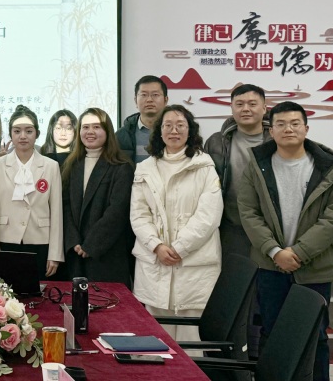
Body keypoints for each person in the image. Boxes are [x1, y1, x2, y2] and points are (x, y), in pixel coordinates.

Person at [238, 101, 333, 381]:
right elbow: (248, 212)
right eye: (280, 124)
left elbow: (330, 219)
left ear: (306, 128)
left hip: (316, 267)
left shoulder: (327, 166)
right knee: (272, 332)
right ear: (271, 130)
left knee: (315, 335)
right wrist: (274, 251)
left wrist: (299, 252)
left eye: (294, 123)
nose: (288, 129)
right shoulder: (257, 165)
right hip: (270, 266)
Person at [130, 104, 222, 343]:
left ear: (190, 130)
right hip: (154, 261)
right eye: (168, 125)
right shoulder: (145, 168)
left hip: (193, 264)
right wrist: (157, 246)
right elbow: (139, 214)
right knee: (156, 338)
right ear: (159, 131)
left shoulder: (205, 166)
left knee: (191, 338)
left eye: (180, 125)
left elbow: (209, 216)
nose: (174, 131)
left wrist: (180, 248)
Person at [0, 105, 63, 279]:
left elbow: (57, 212)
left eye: (28, 131)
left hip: (40, 240)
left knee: (36, 292)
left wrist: (55, 254)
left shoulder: (51, 166)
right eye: (17, 131)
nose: (22, 136)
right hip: (6, 239)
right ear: (10, 134)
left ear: (37, 133)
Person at [62, 108, 134, 285]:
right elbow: (65, 206)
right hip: (75, 254)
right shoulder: (71, 164)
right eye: (85, 127)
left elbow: (117, 211)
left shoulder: (121, 166)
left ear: (107, 131)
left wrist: (91, 244)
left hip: (107, 255)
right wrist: (74, 241)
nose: (90, 132)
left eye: (96, 127)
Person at [204, 84, 270, 259]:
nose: (245, 109)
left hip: (269, 228)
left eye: (252, 104)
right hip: (230, 227)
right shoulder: (216, 142)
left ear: (264, 108)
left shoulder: (278, 140)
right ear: (231, 108)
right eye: (239, 104)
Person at [117, 75, 169, 164]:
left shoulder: (178, 133)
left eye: (155, 95)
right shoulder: (121, 136)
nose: (149, 100)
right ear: (135, 100)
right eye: (144, 95)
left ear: (166, 100)